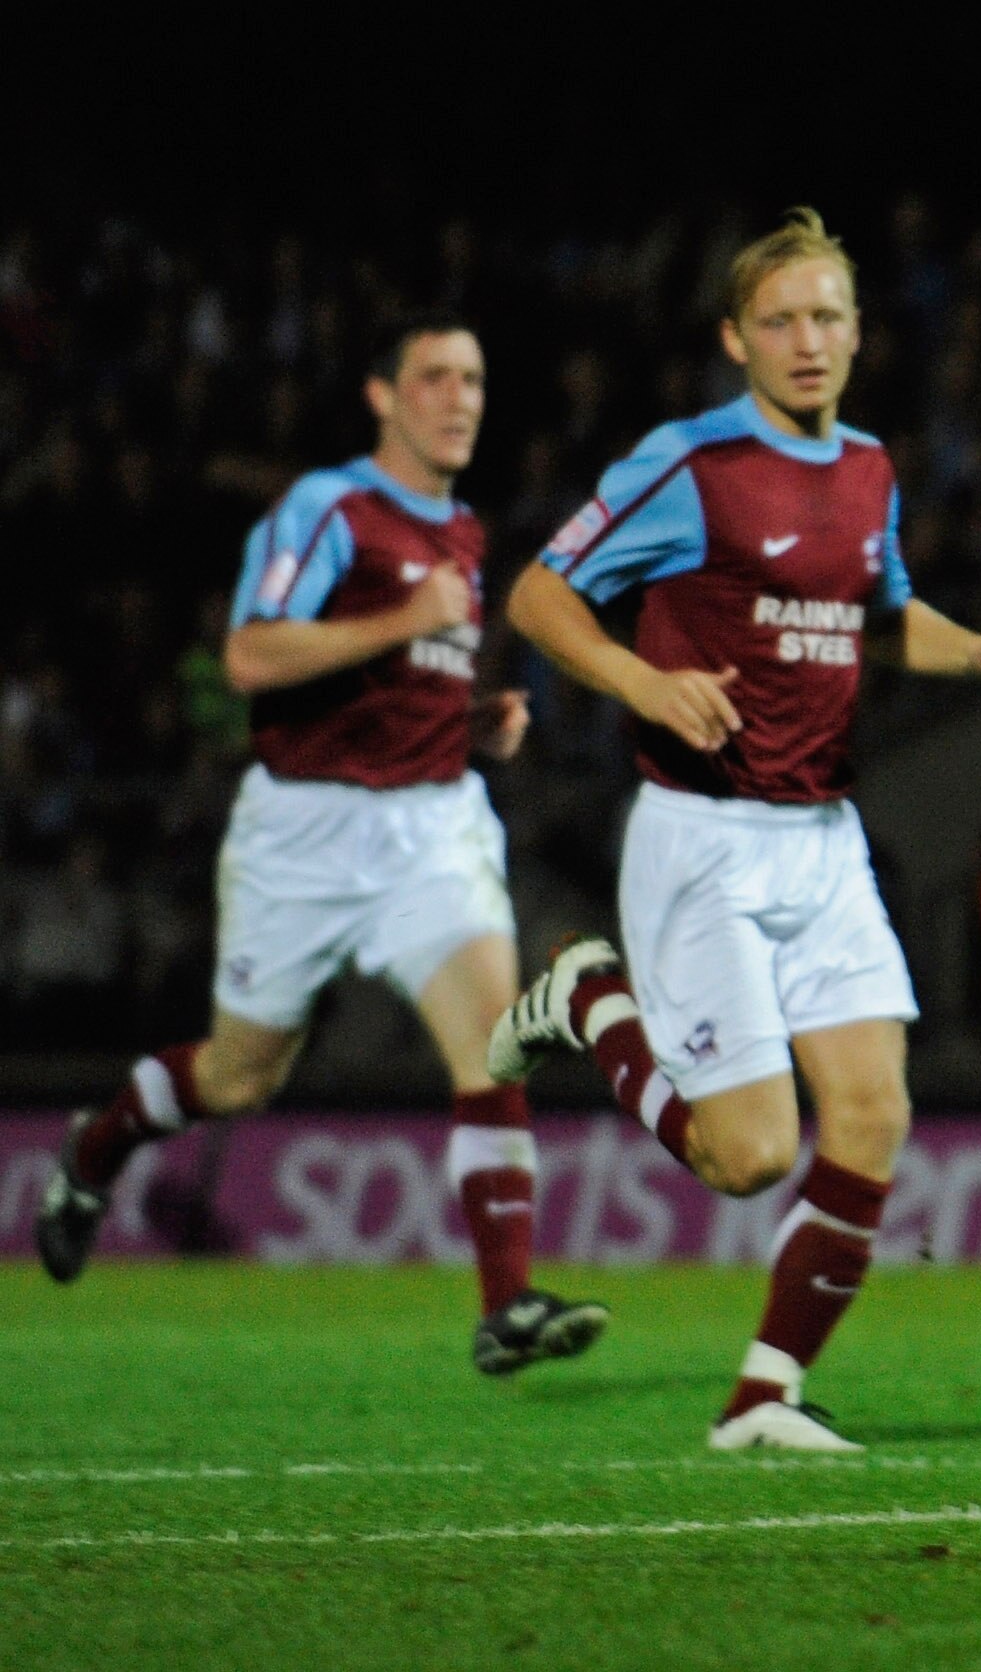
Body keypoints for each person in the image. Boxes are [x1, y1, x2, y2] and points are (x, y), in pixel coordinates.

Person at [492, 211, 981, 1453]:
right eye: (780, 321)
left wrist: (975, 657)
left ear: (859, 334)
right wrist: (642, 684)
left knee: (871, 1117)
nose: (807, 341)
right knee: (749, 1157)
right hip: (702, 836)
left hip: (823, 836)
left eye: (827, 318)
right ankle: (590, 1000)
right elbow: (537, 594)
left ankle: (763, 1396)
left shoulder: (868, 467)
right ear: (735, 340)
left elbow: (878, 616)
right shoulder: (687, 464)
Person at [33, 313, 607, 1378]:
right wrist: (403, 625)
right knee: (239, 1078)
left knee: (493, 1042)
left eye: (474, 379)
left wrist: (476, 717)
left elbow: (403, 683)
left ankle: (507, 1304)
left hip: (430, 823)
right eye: (434, 377)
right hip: (303, 831)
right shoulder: (326, 506)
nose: (460, 397)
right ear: (383, 397)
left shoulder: (465, 534)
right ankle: (94, 1149)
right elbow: (252, 656)